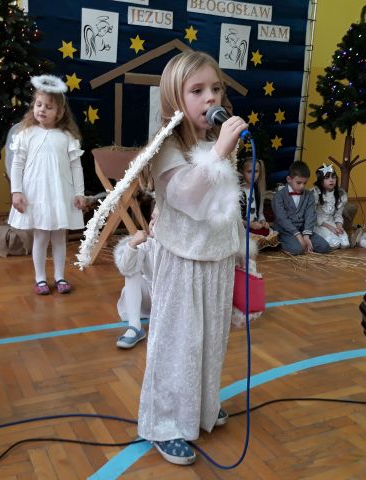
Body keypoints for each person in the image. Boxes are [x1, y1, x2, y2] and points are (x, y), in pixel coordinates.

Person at [137, 51, 246, 465]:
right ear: (174, 98)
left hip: (217, 259)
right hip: (184, 262)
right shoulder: (168, 147)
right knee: (178, 344)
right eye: (197, 90)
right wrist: (218, 153)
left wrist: (241, 253)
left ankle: (199, 407)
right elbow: (186, 196)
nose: (210, 98)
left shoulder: (218, 145)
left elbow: (226, 203)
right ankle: (164, 423)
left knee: (210, 341)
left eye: (215, 88)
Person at [9, 75, 85, 295]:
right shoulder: (26, 134)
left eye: (49, 107)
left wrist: (79, 193)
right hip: (37, 194)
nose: (42, 110)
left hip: (60, 194)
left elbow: (76, 167)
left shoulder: (67, 137)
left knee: (59, 237)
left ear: (60, 112)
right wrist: (16, 191)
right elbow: (17, 164)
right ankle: (40, 278)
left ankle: (60, 276)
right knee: (41, 237)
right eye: (39, 104)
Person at [113, 208, 158, 349]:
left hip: (170, 301)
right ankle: (135, 327)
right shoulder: (146, 245)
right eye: (152, 218)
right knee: (132, 269)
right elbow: (126, 268)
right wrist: (132, 244)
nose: (153, 223)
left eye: (159, 219)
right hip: (148, 298)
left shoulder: (179, 250)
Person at [272, 161, 331, 255]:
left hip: (303, 229)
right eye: (298, 183)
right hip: (285, 231)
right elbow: (281, 218)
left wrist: (306, 235)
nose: (302, 186)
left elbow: (310, 215)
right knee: (297, 249)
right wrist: (297, 234)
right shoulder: (279, 196)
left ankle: (300, 243)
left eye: (305, 183)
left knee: (324, 247)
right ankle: (281, 243)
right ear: (289, 179)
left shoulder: (309, 195)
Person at [239, 157, 278, 249]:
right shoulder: (238, 191)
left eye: (256, 171)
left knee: (269, 234)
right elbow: (235, 218)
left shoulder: (257, 190)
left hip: (255, 225)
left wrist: (263, 221)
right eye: (249, 171)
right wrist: (249, 224)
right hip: (242, 226)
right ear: (242, 172)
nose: (253, 175)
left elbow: (260, 213)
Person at [312, 164, 350, 249]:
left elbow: (338, 214)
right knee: (335, 244)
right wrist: (331, 228)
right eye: (327, 178)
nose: (331, 180)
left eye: (333, 177)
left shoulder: (340, 194)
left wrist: (339, 226)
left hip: (331, 222)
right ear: (320, 180)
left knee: (345, 244)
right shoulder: (315, 193)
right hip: (319, 224)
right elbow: (313, 215)